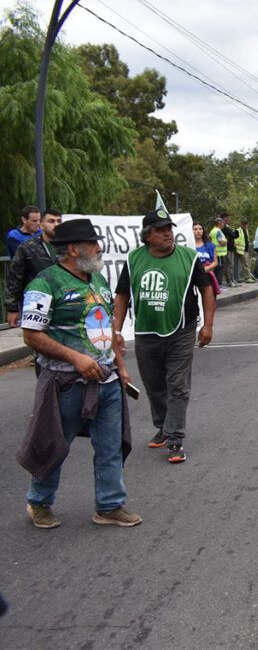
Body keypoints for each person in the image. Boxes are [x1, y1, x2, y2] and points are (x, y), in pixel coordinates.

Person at [18, 218, 142, 528]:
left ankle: (110, 505)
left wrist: (121, 366)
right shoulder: (44, 284)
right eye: (93, 244)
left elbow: (107, 326)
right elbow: (31, 335)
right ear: (73, 249)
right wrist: (76, 358)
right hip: (66, 383)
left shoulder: (97, 279)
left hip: (108, 380)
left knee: (110, 445)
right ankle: (39, 502)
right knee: (55, 445)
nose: (100, 248)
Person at [113, 210, 214, 464]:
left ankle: (175, 438)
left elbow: (206, 290)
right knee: (154, 384)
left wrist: (208, 325)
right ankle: (163, 426)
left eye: (169, 228)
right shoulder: (134, 259)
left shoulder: (188, 258)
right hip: (147, 330)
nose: (168, 233)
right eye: (160, 230)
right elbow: (122, 295)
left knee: (177, 384)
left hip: (181, 329)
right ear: (147, 236)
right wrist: (116, 331)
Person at [6, 208, 61, 327]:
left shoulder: (68, 247)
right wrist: (12, 308)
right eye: (51, 221)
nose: (56, 224)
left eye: (59, 221)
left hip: (63, 302)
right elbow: (14, 278)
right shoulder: (27, 247)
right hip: (37, 301)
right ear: (41, 225)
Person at [192, 223, 219, 293]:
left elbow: (215, 262)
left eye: (200, 229)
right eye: (195, 229)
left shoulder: (210, 245)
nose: (198, 231)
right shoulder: (188, 246)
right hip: (193, 279)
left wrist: (208, 268)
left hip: (207, 277)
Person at [221, 212, 240, 287]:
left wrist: (234, 234)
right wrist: (234, 233)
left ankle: (232, 280)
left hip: (230, 248)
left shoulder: (227, 226)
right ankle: (229, 281)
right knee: (228, 265)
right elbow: (232, 235)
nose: (229, 219)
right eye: (228, 218)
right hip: (226, 248)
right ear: (224, 218)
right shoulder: (223, 227)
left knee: (230, 265)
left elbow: (234, 235)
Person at [211, 218, 229, 286]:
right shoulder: (218, 231)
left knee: (216, 269)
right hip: (220, 254)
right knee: (220, 270)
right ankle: (219, 285)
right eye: (223, 223)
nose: (224, 224)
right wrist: (226, 240)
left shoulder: (213, 230)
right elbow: (221, 242)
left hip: (215, 253)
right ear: (219, 223)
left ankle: (216, 284)